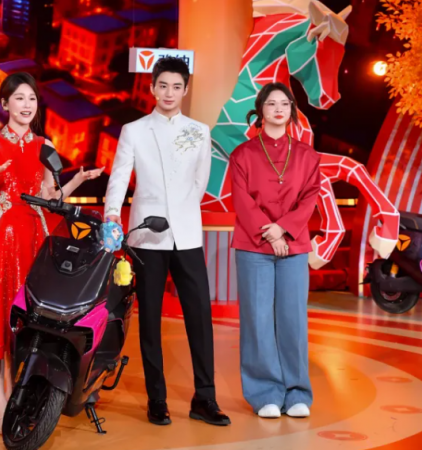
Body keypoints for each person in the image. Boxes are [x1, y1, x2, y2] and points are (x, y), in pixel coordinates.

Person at [0, 72, 104, 433]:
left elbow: (50, 197)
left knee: (27, 322)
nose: (26, 105)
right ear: (5, 104)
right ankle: (1, 404)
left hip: (34, 239)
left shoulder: (44, 145)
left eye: (31, 98)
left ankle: (23, 395)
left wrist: (76, 180)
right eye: (19, 98)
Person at [104, 56, 230, 427]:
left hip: (187, 234)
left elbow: (200, 181)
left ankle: (205, 398)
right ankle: (156, 398)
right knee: (150, 319)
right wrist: (112, 214)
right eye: (163, 86)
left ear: (185, 90)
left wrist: (179, 212)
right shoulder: (134, 130)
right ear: (152, 88)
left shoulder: (199, 131)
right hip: (147, 235)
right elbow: (120, 177)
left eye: (176, 86)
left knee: (200, 317)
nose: (170, 93)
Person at [230, 82, 320, 419]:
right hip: (253, 244)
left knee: (293, 319)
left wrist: (283, 228)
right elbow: (241, 200)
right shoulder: (243, 154)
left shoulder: (308, 155)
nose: (279, 109)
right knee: (257, 319)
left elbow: (309, 198)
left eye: (285, 104)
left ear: (292, 111)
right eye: (271, 103)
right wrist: (270, 233)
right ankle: (264, 393)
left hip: (293, 244)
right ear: (260, 110)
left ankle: (297, 393)